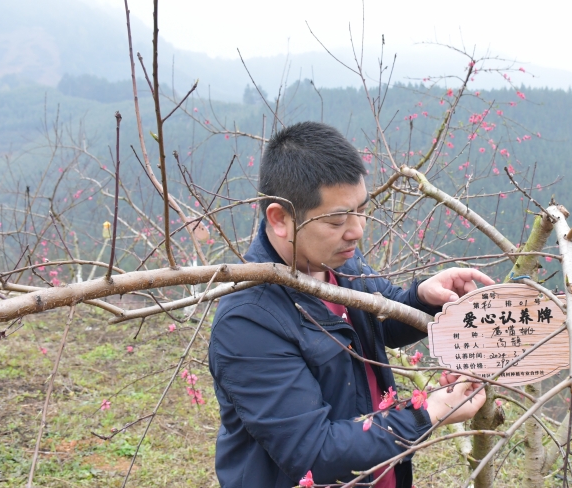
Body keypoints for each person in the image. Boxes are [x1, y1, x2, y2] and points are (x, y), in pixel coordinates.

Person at [209, 122, 490, 487]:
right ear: (280, 219)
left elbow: (382, 321)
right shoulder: (247, 323)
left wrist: (423, 297)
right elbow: (314, 453)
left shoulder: (338, 265)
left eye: (361, 211)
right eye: (338, 219)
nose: (357, 230)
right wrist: (429, 411)